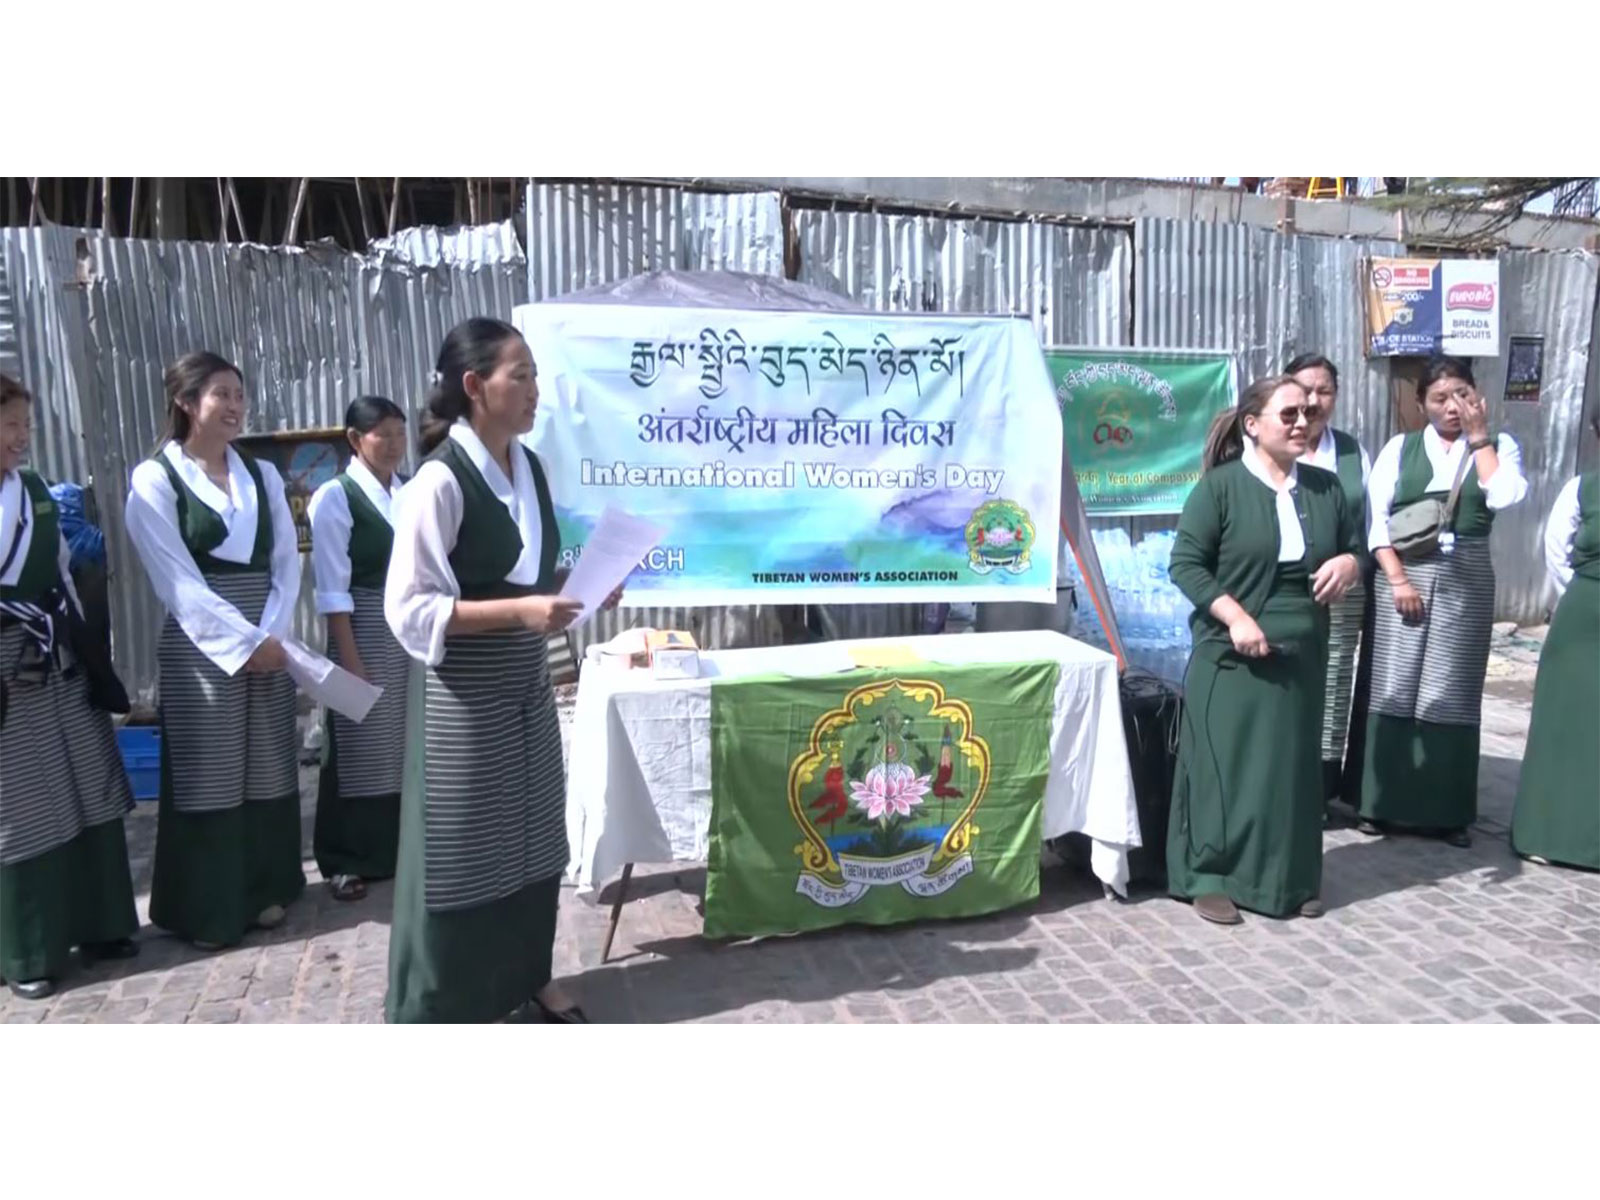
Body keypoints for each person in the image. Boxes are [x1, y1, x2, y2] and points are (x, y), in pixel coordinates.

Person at [384, 317, 618, 1024]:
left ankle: (528, 973)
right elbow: (410, 608)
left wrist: (587, 583)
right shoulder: (438, 482)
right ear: (474, 386)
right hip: (463, 692)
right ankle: (444, 998)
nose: (535, 390)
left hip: (525, 682)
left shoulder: (530, 469)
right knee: (461, 845)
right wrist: (516, 615)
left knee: (534, 832)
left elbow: (530, 579)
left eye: (535, 375)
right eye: (520, 375)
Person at [125, 352, 306, 949]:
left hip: (267, 637)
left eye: (238, 394)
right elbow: (177, 581)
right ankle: (209, 908)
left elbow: (285, 561)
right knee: (210, 776)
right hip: (202, 647)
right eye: (220, 395)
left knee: (264, 765)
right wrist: (244, 642)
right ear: (185, 402)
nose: (234, 406)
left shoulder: (263, 476)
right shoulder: (155, 480)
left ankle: (261, 893)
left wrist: (271, 635)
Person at [1166, 376, 1362, 925]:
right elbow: (1185, 564)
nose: (1303, 422)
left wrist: (1351, 564)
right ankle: (1208, 876)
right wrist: (1236, 617)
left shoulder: (1326, 489)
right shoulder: (1221, 488)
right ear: (1253, 425)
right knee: (1225, 765)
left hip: (1303, 653)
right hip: (1230, 651)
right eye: (1289, 414)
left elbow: (1357, 549)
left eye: (1309, 413)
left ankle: (1285, 879)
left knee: (1290, 769)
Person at [0, 374, 139, 1000]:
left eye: (24, 426)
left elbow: (58, 565)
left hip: (57, 649)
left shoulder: (32, 491)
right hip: (5, 664)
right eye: (9, 427)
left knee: (88, 782)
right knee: (24, 806)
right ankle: (31, 948)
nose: (21, 439)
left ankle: (105, 924)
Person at [1354, 356, 1528, 846]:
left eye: (1461, 395)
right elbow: (1377, 522)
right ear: (1420, 404)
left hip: (1467, 580)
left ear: (1477, 395)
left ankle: (1446, 812)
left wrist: (1480, 437)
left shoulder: (1497, 447)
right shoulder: (1400, 449)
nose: (1452, 407)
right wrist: (1398, 582)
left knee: (1450, 691)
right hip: (1403, 576)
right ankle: (1381, 805)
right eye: (1439, 398)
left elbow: (1506, 496)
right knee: (1395, 682)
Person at [308, 396, 410, 902]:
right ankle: (346, 859)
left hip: (406, 628)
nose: (392, 444)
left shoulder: (408, 492)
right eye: (381, 434)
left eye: (398, 433)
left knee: (402, 744)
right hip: (362, 624)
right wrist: (350, 657)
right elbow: (332, 587)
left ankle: (397, 851)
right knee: (358, 744)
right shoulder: (336, 497)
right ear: (354, 439)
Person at [1509, 413, 1599, 871]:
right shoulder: (1581, 489)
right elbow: (1556, 550)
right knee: (1564, 726)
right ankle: (1549, 833)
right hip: (1584, 619)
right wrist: (1584, 591)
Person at [1286, 353, 1372, 811]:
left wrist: (1353, 564)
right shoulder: (1272, 444)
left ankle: (1319, 788)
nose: (1314, 401)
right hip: (1283, 587)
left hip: (1343, 586)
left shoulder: (1354, 452)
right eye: (1305, 390)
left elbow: (1370, 523)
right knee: (1288, 679)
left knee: (1335, 679)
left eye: (1324, 391)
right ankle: (1287, 780)